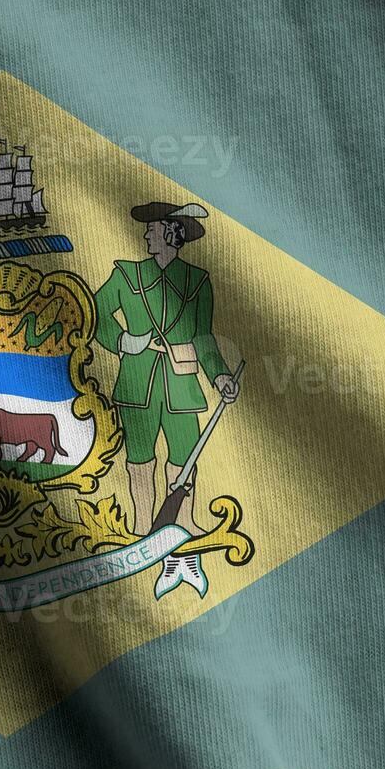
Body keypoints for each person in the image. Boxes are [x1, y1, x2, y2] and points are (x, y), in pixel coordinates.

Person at [93, 201, 239, 536]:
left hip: (182, 386)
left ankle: (183, 521)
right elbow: (98, 313)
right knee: (140, 457)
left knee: (186, 454)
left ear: (171, 234)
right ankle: (143, 525)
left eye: (152, 229)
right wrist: (124, 341)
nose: (145, 235)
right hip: (136, 383)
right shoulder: (126, 275)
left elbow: (203, 337)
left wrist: (220, 377)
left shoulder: (197, 281)